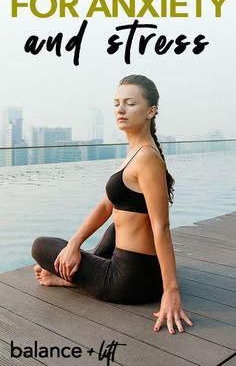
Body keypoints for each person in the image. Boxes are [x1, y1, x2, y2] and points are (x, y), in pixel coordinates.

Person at [32, 74, 194, 335]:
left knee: (41, 246)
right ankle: (73, 273)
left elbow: (161, 227)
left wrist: (171, 291)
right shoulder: (136, 152)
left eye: (130, 103)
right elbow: (107, 206)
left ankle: (69, 279)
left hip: (130, 281)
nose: (120, 109)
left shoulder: (147, 158)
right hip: (136, 270)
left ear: (151, 111)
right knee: (115, 227)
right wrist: (74, 244)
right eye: (117, 103)